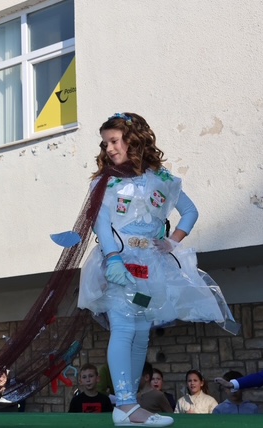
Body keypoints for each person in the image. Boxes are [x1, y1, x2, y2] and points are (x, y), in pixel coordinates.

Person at [78, 112, 234, 426]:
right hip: (120, 263)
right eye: (105, 143)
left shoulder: (161, 179)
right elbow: (101, 224)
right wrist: (113, 258)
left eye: (114, 141)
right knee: (124, 328)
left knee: (140, 335)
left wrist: (172, 242)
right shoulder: (105, 181)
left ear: (133, 140)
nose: (108, 148)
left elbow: (190, 212)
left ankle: (129, 406)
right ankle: (125, 405)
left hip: (150, 269)